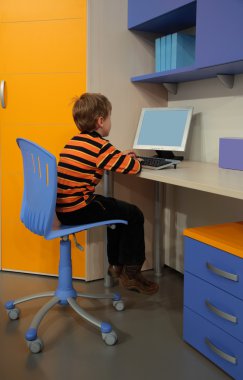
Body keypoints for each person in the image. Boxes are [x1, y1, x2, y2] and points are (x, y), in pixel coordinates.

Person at [56, 93, 159, 295]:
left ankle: (116, 266)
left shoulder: (74, 142)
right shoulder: (100, 146)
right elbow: (132, 167)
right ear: (101, 121)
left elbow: (111, 160)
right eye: (110, 117)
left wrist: (120, 157)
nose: (111, 122)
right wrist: (134, 159)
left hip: (63, 208)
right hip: (78, 208)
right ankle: (131, 272)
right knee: (133, 214)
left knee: (115, 212)